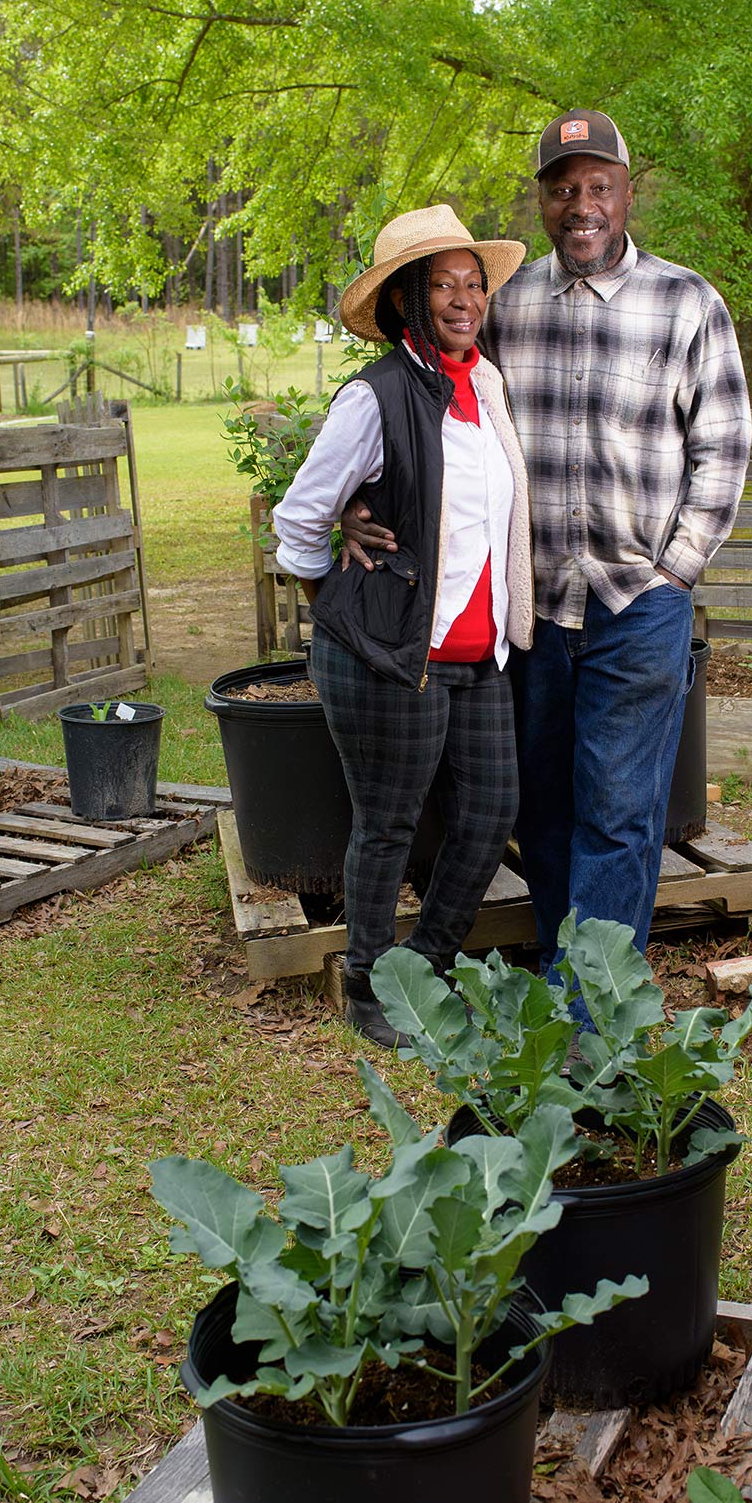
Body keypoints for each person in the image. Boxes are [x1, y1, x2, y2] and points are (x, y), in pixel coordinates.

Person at [342, 111, 751, 1016]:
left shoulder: (688, 305)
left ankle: (588, 1004)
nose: (582, 205)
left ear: (628, 191)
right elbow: (434, 412)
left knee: (619, 808)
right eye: (564, 188)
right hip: (535, 609)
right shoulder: (509, 305)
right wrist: (358, 507)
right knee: (545, 809)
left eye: (599, 185)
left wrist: (675, 571)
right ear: (543, 198)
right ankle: (577, 965)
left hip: (637, 601)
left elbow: (722, 452)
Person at [271, 204, 533, 1048]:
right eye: (441, 286)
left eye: (473, 284)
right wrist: (341, 609)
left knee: (493, 812)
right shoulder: (373, 396)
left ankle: (423, 967)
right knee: (388, 821)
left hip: (478, 651)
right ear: (407, 304)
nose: (463, 300)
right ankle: (367, 986)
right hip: (391, 655)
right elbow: (300, 518)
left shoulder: (485, 386)